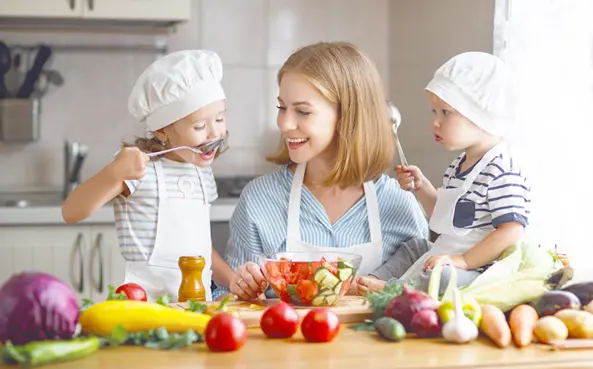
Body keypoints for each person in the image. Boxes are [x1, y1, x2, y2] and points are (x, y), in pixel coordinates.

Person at [213, 41, 430, 301]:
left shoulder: (398, 203)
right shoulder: (259, 201)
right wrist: (242, 286)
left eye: (302, 111)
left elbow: (420, 300)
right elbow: (228, 302)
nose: (284, 123)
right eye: (282, 107)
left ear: (347, 116)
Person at [62, 50, 234, 302]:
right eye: (199, 126)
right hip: (144, 308)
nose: (214, 133)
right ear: (162, 130)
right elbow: (71, 211)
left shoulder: (201, 173)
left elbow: (199, 246)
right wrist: (114, 173)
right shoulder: (137, 170)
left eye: (220, 118)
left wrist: (231, 279)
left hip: (197, 305)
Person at [357, 52, 531, 295]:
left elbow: (512, 231)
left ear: (479, 114)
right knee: (416, 247)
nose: (435, 122)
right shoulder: (459, 164)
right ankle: (371, 281)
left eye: (446, 113)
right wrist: (422, 187)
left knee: (442, 275)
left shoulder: (502, 169)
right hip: (451, 254)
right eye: (434, 112)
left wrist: (465, 261)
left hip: (479, 269)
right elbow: (447, 219)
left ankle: (392, 290)